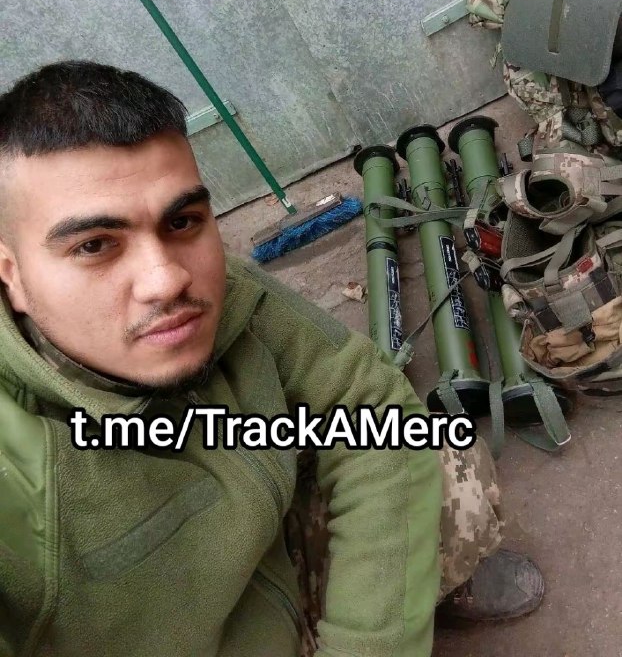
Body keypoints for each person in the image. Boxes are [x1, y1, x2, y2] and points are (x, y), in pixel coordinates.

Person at [0, 61, 542, 657]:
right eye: (94, 245)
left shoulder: (227, 292)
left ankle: (428, 586)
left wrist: (373, 639)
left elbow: (370, 405)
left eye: (181, 221)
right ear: (12, 276)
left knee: (434, 451)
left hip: (270, 555)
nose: (166, 280)